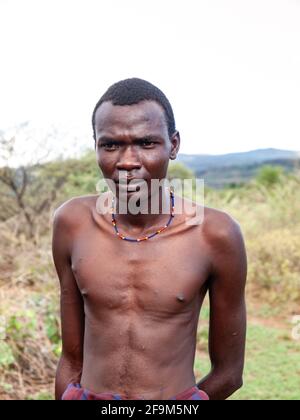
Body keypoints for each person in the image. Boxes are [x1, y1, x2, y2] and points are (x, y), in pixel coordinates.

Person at [52, 78, 247, 400]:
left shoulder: (216, 234)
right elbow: (71, 358)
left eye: (146, 143)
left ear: (173, 145)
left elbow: (229, 374)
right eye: (111, 144)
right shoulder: (71, 223)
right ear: (96, 146)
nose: (128, 161)